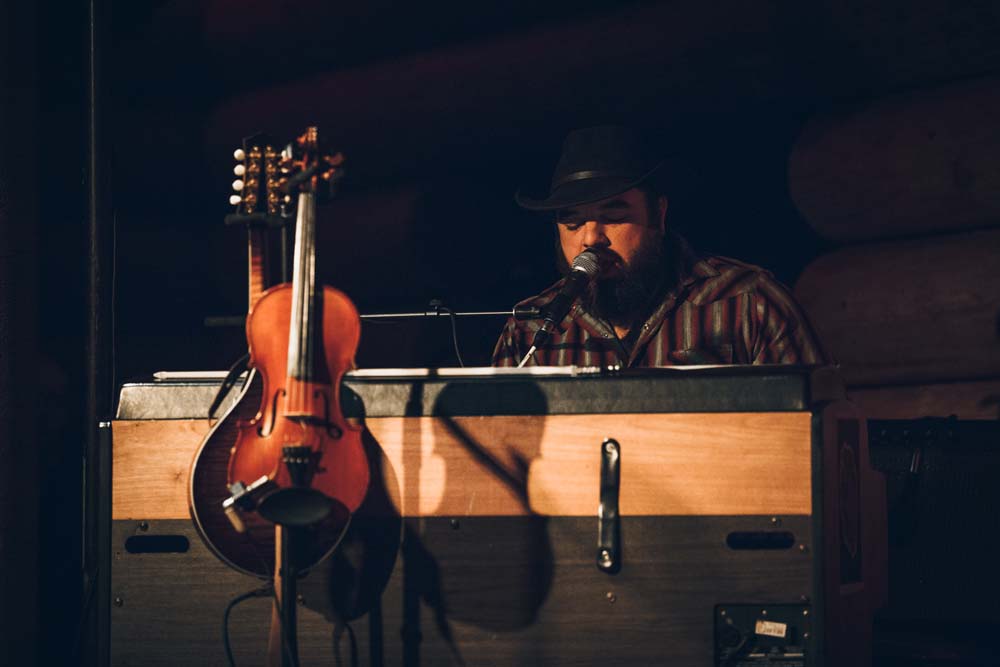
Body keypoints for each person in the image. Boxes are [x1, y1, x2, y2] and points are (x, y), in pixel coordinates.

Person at [492, 125, 827, 368]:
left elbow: (819, 435)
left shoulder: (750, 304)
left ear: (659, 215)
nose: (591, 238)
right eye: (573, 222)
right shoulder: (529, 330)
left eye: (614, 215)